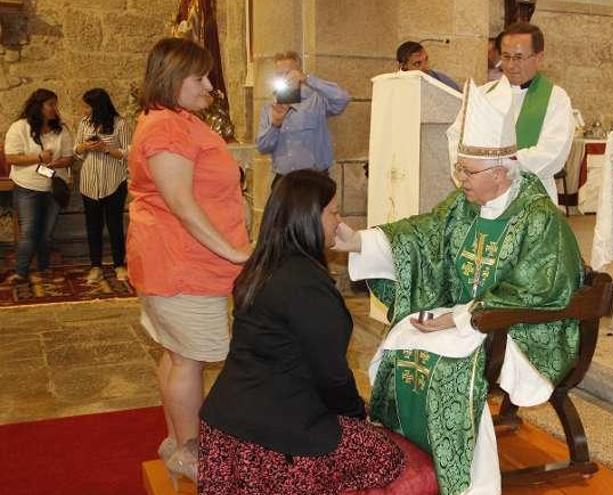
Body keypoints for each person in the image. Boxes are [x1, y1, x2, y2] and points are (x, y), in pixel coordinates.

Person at [334, 78, 585, 495]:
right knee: (403, 342)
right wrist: (359, 241)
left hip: (521, 330)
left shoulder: (539, 217)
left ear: (502, 172)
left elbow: (539, 289)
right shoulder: (465, 204)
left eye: (468, 172)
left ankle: (471, 484)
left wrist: (460, 317)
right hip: (472, 318)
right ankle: (412, 460)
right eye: (460, 169)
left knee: (448, 367)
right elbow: (422, 235)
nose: (460, 180)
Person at [200, 170, 437, 494]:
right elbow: (331, 377)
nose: (340, 223)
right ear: (309, 217)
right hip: (271, 449)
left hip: (222, 433)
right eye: (334, 212)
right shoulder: (307, 285)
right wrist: (357, 416)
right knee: (387, 456)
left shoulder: (261, 267)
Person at [127, 37, 250, 485]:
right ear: (171, 78)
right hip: (183, 265)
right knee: (190, 359)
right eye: (199, 77)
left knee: (178, 354)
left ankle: (177, 441)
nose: (210, 85)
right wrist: (235, 250)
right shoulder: (165, 128)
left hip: (185, 264)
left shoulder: (178, 120)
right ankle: (189, 452)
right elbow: (180, 202)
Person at [447, 22, 574, 204]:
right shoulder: (482, 95)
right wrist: (467, 172)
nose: (512, 65)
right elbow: (456, 136)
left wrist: (498, 168)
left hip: (532, 199)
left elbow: (553, 153)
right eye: (506, 57)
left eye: (519, 57)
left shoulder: (555, 98)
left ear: (539, 57)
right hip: (482, 198)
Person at [3, 88, 74, 284]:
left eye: (55, 105)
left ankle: (43, 268)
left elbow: (69, 158)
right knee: (29, 230)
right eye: (50, 104)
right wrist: (38, 157)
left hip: (53, 186)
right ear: (39, 106)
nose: (54, 109)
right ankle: (21, 271)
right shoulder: (19, 127)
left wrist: (56, 163)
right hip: (27, 186)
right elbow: (11, 158)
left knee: (46, 233)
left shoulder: (61, 129)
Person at [256, 51, 350, 186]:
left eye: (289, 73)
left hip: (315, 179)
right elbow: (262, 147)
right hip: (284, 180)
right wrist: (275, 125)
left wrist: (308, 79)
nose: (285, 79)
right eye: (279, 75)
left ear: (298, 73)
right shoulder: (269, 107)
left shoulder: (316, 100)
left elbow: (343, 98)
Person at [74, 88, 132, 283]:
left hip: (114, 180)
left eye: (87, 106)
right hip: (90, 181)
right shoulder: (84, 124)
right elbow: (77, 150)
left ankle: (119, 265)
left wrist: (105, 148)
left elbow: (127, 153)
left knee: (115, 224)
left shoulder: (120, 123)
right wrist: (85, 147)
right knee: (93, 225)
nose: (84, 109)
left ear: (97, 106)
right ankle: (95, 266)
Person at [396, 41, 461, 92]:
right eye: (417, 63)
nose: (426, 67)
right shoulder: (394, 87)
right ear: (403, 66)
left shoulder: (440, 80)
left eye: (426, 60)